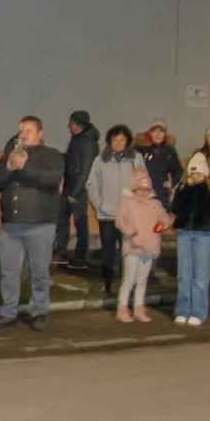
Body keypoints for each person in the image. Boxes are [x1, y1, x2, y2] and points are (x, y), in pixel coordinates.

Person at [0, 116, 65, 331]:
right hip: (12, 226)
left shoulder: (52, 155)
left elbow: (52, 179)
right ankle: (8, 311)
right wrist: (9, 167)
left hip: (40, 225)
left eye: (28, 130)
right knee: (9, 272)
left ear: (40, 133)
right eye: (21, 130)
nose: (23, 134)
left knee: (39, 272)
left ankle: (39, 311)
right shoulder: (11, 154)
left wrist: (26, 166)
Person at [86, 124, 145, 298]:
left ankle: (127, 284)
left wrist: (138, 205)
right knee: (108, 251)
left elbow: (143, 184)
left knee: (129, 251)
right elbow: (91, 184)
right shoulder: (100, 160)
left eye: (122, 140)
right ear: (109, 141)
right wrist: (100, 204)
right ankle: (108, 282)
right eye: (115, 140)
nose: (118, 143)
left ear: (127, 142)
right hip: (107, 215)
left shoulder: (136, 159)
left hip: (129, 215)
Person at [171, 152, 210, 326]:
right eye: (192, 173)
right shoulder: (183, 188)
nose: (195, 176)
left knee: (200, 275)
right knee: (183, 274)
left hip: (204, 234)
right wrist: (182, 189)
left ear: (205, 173)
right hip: (184, 233)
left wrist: (206, 187)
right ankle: (182, 310)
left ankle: (198, 312)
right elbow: (176, 208)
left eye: (198, 172)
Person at [114, 167, 169, 322]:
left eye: (146, 189)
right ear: (134, 188)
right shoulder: (127, 202)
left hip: (149, 247)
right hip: (133, 246)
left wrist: (163, 224)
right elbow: (120, 220)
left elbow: (165, 217)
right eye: (139, 189)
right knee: (129, 279)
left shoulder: (155, 204)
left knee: (142, 279)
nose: (143, 192)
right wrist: (131, 232)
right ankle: (122, 307)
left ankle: (139, 307)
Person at [57, 110, 99, 270]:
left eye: (71, 123)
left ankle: (80, 257)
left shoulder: (88, 143)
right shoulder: (78, 139)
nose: (69, 126)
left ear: (78, 125)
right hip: (71, 184)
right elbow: (72, 158)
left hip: (77, 188)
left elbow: (86, 169)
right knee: (62, 217)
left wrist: (75, 191)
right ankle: (61, 250)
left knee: (80, 222)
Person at [136, 121, 182, 209]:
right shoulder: (140, 149)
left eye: (161, 131)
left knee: (163, 219)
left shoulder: (169, 151)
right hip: (144, 193)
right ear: (150, 132)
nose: (158, 134)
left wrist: (172, 183)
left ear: (165, 133)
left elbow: (178, 170)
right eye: (155, 131)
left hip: (162, 193)